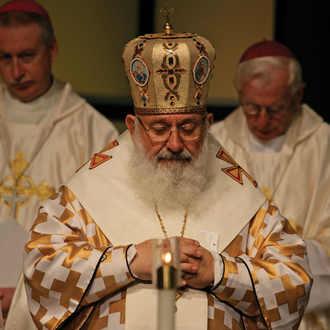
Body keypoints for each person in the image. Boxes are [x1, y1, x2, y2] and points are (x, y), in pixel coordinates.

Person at [22, 24, 312, 330]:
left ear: (208, 124)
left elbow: (293, 279)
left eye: (188, 128)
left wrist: (219, 273)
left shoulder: (242, 197)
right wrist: (130, 263)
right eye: (159, 129)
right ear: (133, 128)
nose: (175, 144)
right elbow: (42, 269)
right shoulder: (87, 192)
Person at [0, 0, 118, 325]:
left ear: (51, 49)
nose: (16, 71)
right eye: (4, 58)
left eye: (26, 56)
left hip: (52, 301)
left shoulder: (93, 132)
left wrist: (28, 292)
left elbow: (102, 236)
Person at [210, 39, 330, 330]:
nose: (262, 120)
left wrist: (280, 259)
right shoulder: (215, 142)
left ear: (298, 95)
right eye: (252, 107)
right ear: (239, 92)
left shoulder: (324, 143)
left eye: (276, 108)